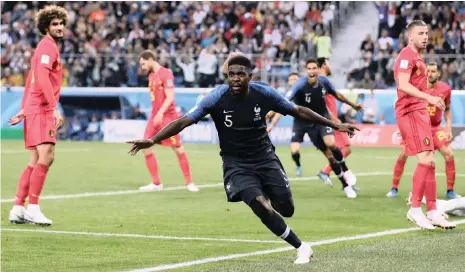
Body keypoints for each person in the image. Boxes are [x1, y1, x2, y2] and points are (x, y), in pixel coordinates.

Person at [127, 55, 359, 264]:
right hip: (235, 164)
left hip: (265, 158)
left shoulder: (264, 93)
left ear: (250, 76)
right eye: (231, 74)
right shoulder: (216, 97)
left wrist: (335, 125)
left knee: (285, 208)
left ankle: (268, 191)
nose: (235, 79)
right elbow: (183, 121)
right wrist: (153, 140)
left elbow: (298, 110)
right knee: (259, 204)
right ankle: (302, 247)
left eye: (240, 74)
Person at [8, 5, 68, 226]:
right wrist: (53, 107)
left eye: (61, 23)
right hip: (42, 108)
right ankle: (33, 207)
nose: (60, 27)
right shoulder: (47, 46)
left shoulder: (46, 47)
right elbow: (41, 78)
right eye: (55, 24)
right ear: (45, 27)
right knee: (47, 156)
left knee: (35, 159)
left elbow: (32, 78)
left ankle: (17, 207)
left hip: (35, 106)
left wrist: (25, 108)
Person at [267, 59, 362, 198]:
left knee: (331, 143)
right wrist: (269, 115)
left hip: (323, 119)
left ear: (318, 70)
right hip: (307, 125)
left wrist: (353, 105)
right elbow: (283, 102)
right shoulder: (299, 85)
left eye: (314, 68)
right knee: (329, 156)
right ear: (306, 71)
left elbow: (337, 95)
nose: (312, 71)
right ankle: (346, 185)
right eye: (309, 69)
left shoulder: (324, 82)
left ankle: (346, 170)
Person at [393, 20, 454, 229]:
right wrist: (427, 98)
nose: (425, 37)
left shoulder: (418, 58)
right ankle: (416, 209)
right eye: (421, 33)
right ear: (411, 36)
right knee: (426, 161)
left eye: (427, 33)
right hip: (409, 113)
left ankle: (434, 210)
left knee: (431, 162)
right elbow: (402, 84)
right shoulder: (406, 56)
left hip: (420, 113)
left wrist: (428, 99)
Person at [387, 62, 458, 199]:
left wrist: (448, 129)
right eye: (428, 71)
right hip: (417, 128)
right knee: (403, 154)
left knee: (449, 154)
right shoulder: (417, 87)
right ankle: (394, 188)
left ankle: (450, 191)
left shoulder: (445, 90)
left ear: (438, 74)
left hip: (435, 128)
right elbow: (405, 107)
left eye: (433, 71)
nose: (430, 74)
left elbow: (447, 111)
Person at [137, 50, 198, 192]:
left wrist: (160, 113)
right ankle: (156, 183)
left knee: (177, 148)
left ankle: (189, 183)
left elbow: (170, 97)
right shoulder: (151, 76)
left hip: (167, 117)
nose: (142, 67)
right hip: (155, 117)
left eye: (143, 64)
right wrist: (156, 114)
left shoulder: (166, 73)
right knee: (144, 146)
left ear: (151, 59)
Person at [315, 58, 353, 186]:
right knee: (346, 148)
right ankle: (326, 172)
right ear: (324, 66)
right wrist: (334, 120)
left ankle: (344, 181)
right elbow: (322, 105)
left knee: (334, 151)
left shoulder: (325, 82)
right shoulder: (320, 83)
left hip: (331, 121)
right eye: (328, 63)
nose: (331, 66)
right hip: (331, 122)